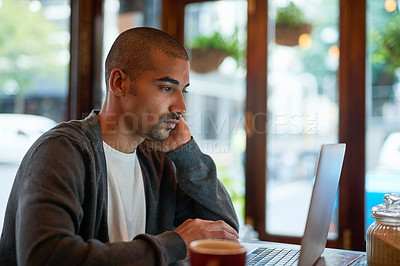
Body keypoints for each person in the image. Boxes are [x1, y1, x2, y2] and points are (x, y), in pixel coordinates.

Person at [0, 27, 239, 265]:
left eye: (183, 91)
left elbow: (224, 233)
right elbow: (45, 257)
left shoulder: (158, 160)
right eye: (167, 88)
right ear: (118, 83)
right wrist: (175, 243)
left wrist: (187, 153)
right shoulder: (62, 151)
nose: (181, 107)